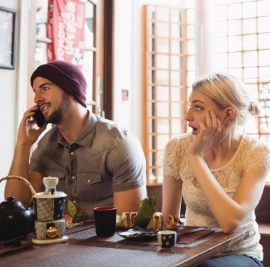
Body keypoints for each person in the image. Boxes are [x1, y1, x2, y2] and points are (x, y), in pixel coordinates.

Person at [5, 60, 146, 219]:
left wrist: (75, 224)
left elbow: (129, 222)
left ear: (70, 89)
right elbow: (17, 203)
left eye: (45, 88)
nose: (36, 98)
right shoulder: (45, 145)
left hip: (104, 243)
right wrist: (24, 144)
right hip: (56, 242)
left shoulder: (118, 143)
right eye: (35, 91)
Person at [161, 72, 270, 267]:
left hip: (242, 255)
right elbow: (169, 221)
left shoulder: (256, 152)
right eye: (190, 105)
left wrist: (196, 157)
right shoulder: (175, 148)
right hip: (191, 255)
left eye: (198, 107)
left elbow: (229, 222)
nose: (187, 116)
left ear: (228, 114)